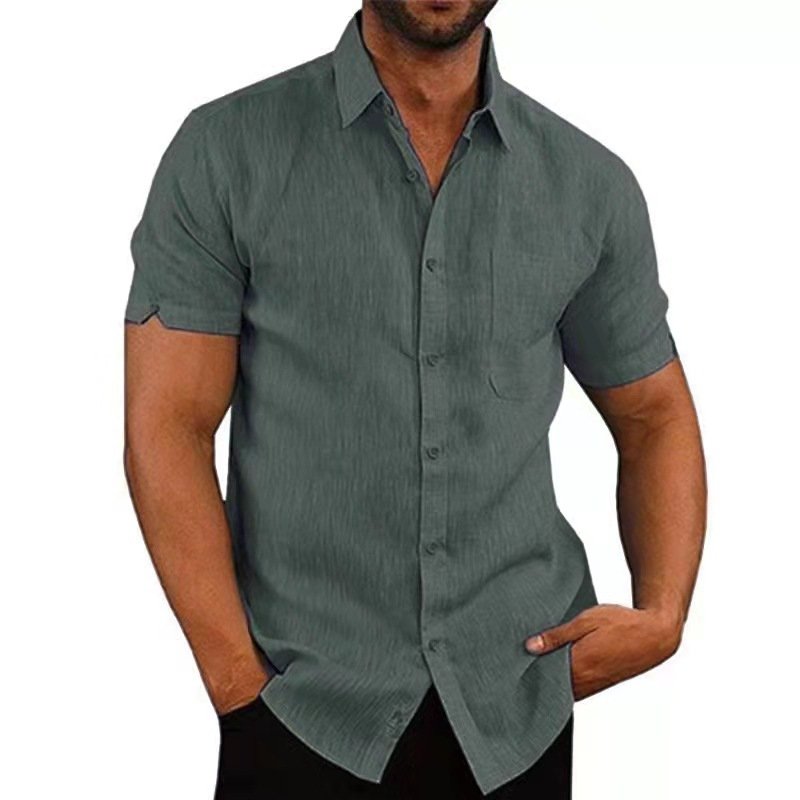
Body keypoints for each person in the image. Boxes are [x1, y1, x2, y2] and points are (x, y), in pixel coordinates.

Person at [122, 2, 706, 798]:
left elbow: (652, 414)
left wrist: (663, 614)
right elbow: (168, 426)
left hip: (514, 721)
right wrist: (237, 688)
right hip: (300, 714)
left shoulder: (587, 185)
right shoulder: (228, 151)